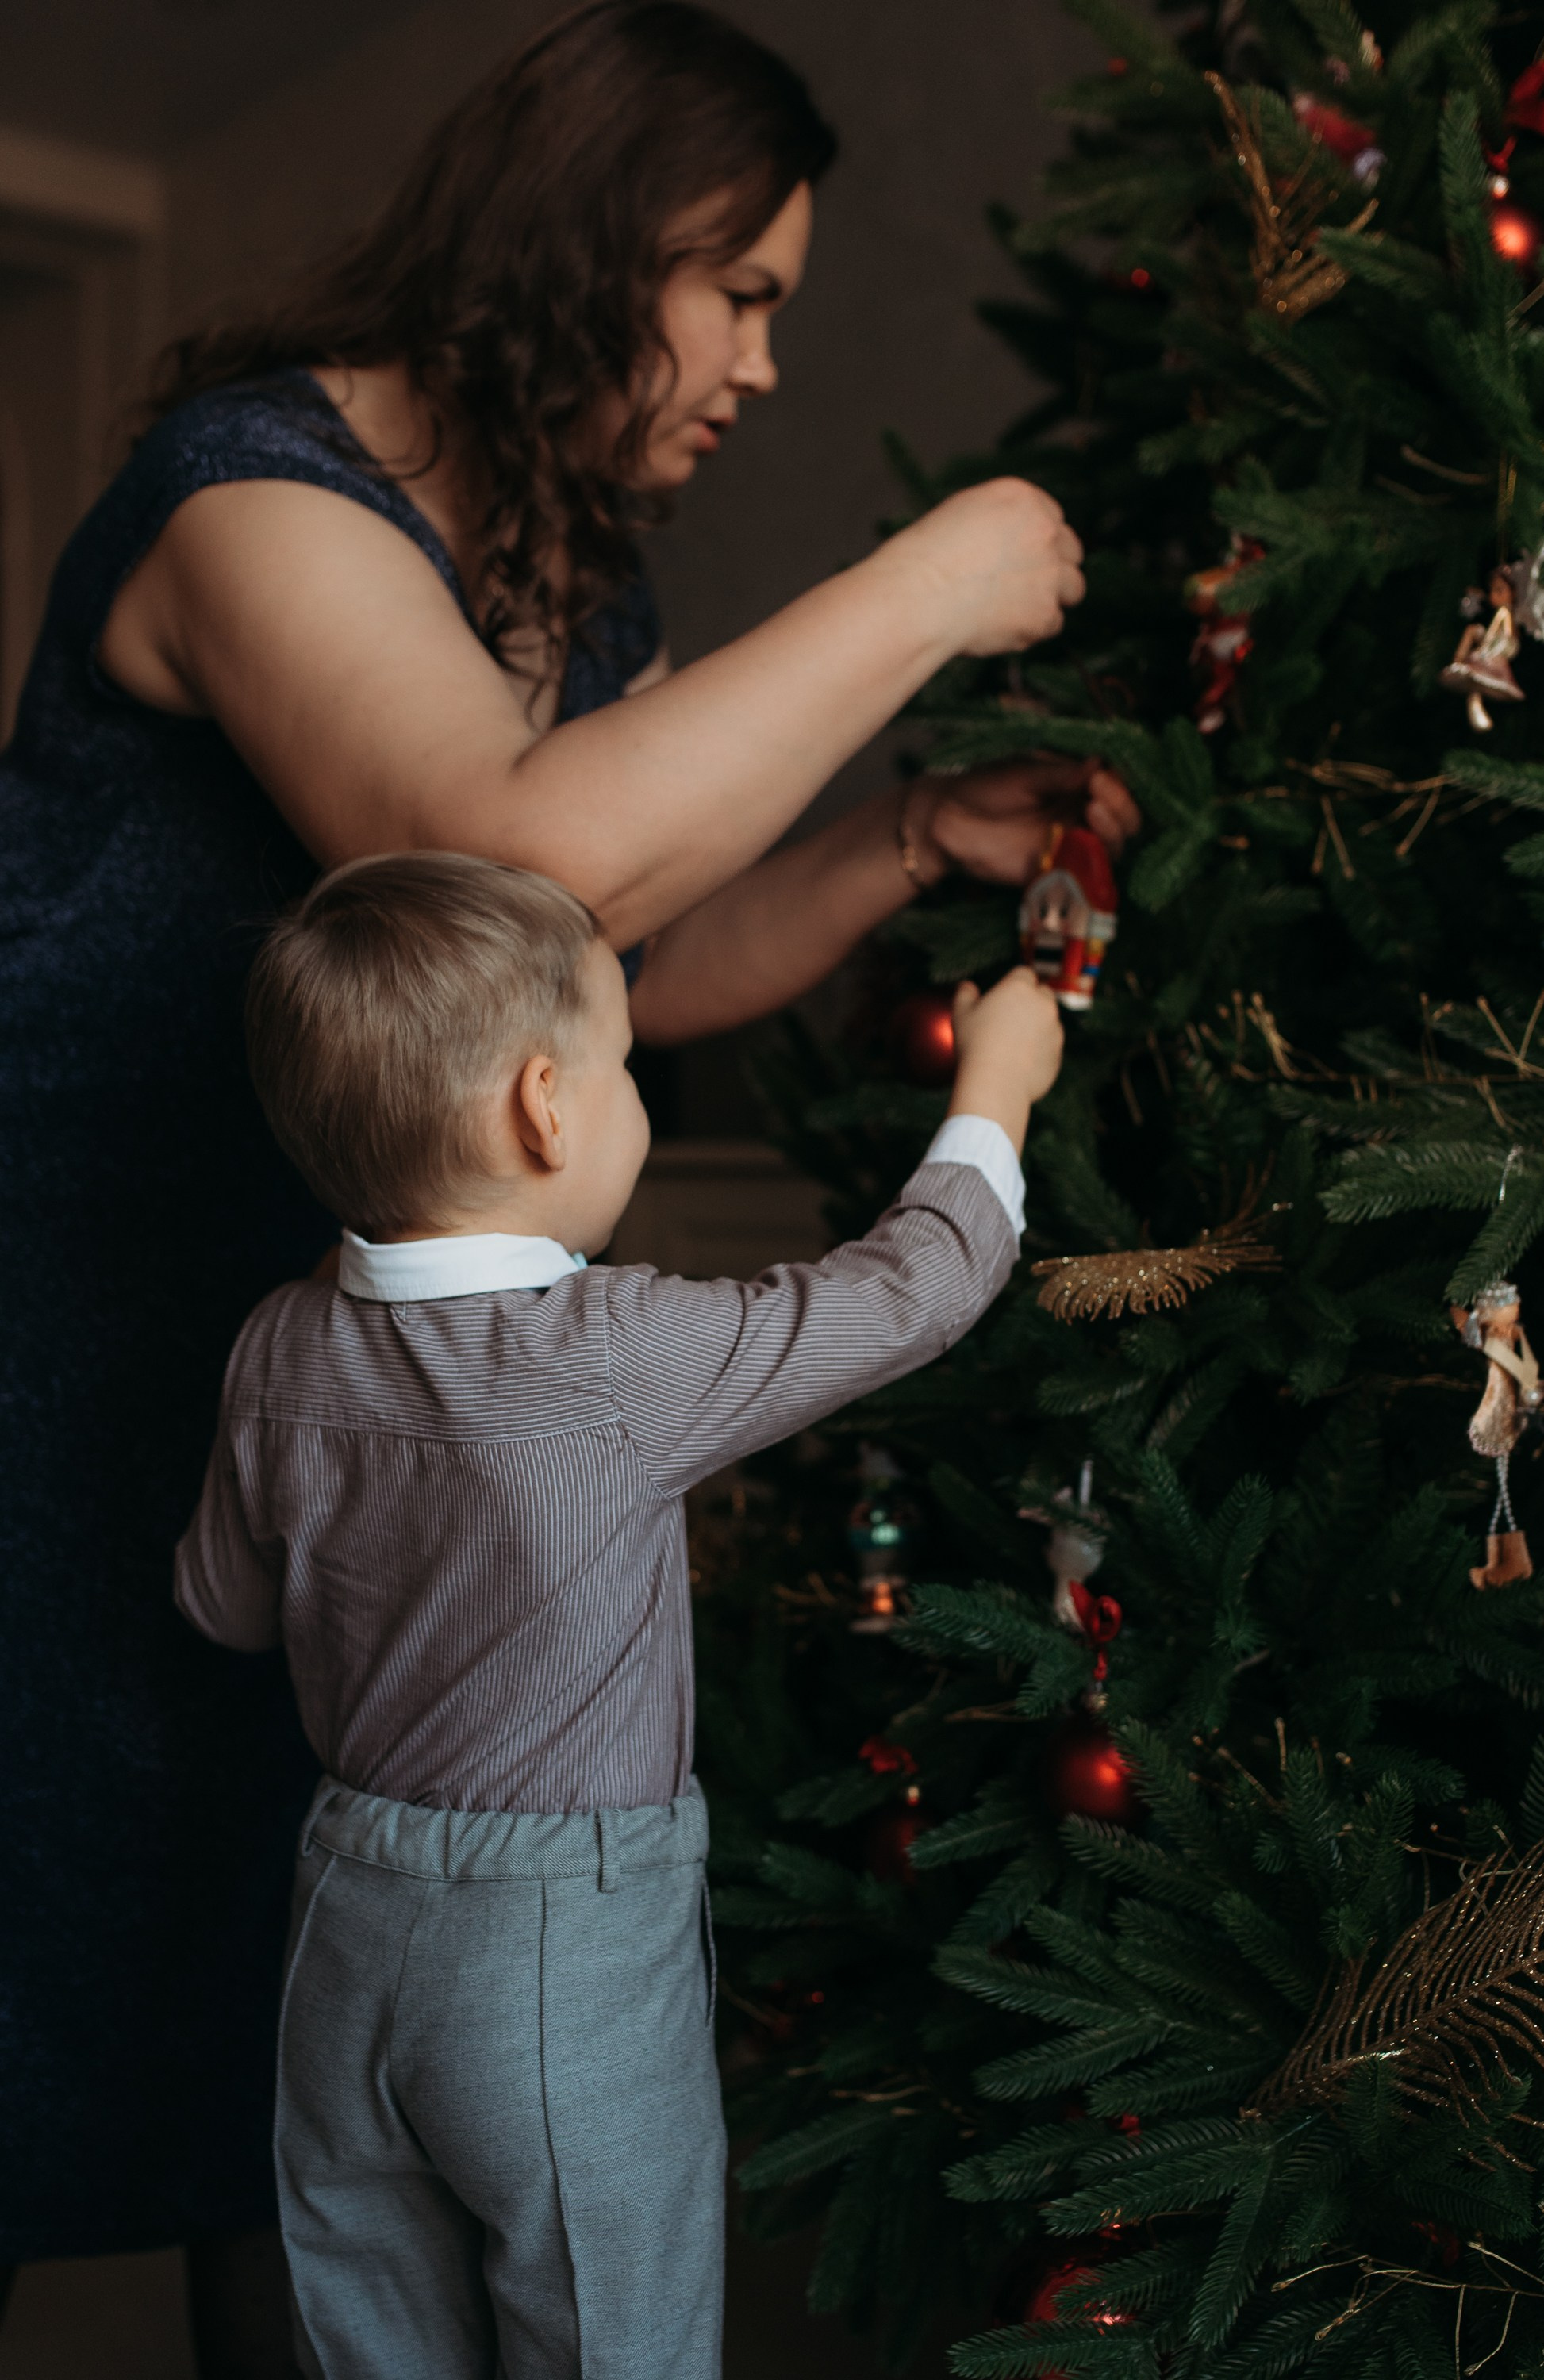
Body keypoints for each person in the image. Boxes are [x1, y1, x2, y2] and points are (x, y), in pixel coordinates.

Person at [0, 0, 1135, 2350]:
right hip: (71, 1346)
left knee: (290, 2069)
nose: (762, 367)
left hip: (361, 1409)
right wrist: (935, 581)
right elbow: (506, 851)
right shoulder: (251, 496)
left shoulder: (571, 594)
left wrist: (904, 837)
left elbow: (605, 959)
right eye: (743, 293)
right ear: (608, 240)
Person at [174, 850, 1064, 2379]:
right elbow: (911, 1290)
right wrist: (999, 1085)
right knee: (611, 2335)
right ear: (545, 1108)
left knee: (373, 2337)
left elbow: (222, 1605)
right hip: (556, 1948)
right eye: (627, 1063)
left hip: (342, 1929)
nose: (633, 1094)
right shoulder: (615, 1353)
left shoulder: (278, 1348)